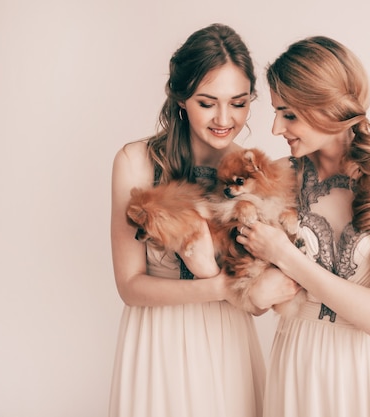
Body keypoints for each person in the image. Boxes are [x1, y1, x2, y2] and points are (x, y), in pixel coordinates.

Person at [238, 36, 370, 416]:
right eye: (276, 112)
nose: (276, 128)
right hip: (297, 367)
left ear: (330, 109)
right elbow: (255, 297)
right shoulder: (278, 177)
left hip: (369, 373)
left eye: (289, 114)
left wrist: (284, 255)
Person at [108, 23, 266, 417]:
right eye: (207, 102)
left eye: (239, 102)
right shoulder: (135, 162)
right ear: (181, 99)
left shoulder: (252, 171)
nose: (224, 118)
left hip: (228, 342)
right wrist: (221, 290)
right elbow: (129, 287)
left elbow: (258, 299)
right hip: (156, 343)